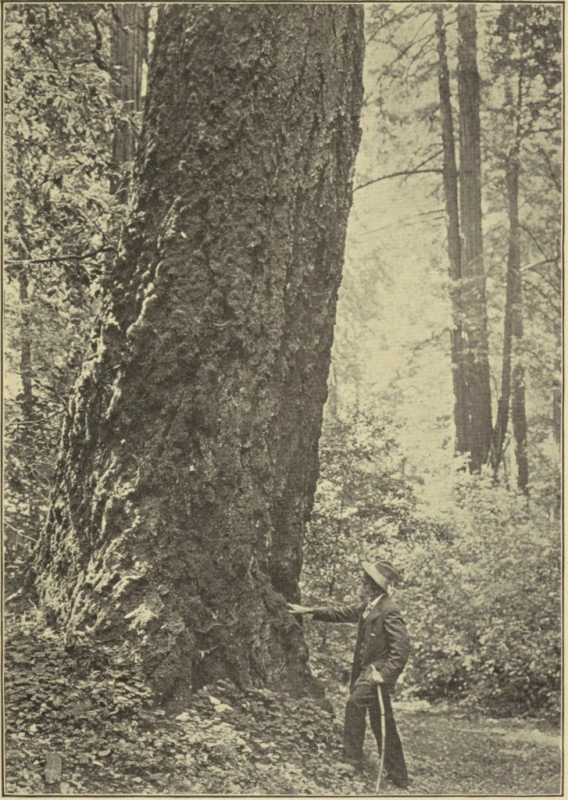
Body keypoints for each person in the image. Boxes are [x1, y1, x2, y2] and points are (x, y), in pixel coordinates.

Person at [288, 559, 411, 789]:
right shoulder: (368, 605)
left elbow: (401, 648)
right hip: (366, 673)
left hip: (375, 673)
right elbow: (340, 612)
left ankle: (352, 762)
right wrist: (309, 611)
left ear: (375, 586)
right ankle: (400, 776)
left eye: (366, 582)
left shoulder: (389, 609)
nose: (361, 584)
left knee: (354, 704)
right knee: (382, 722)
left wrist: (384, 675)